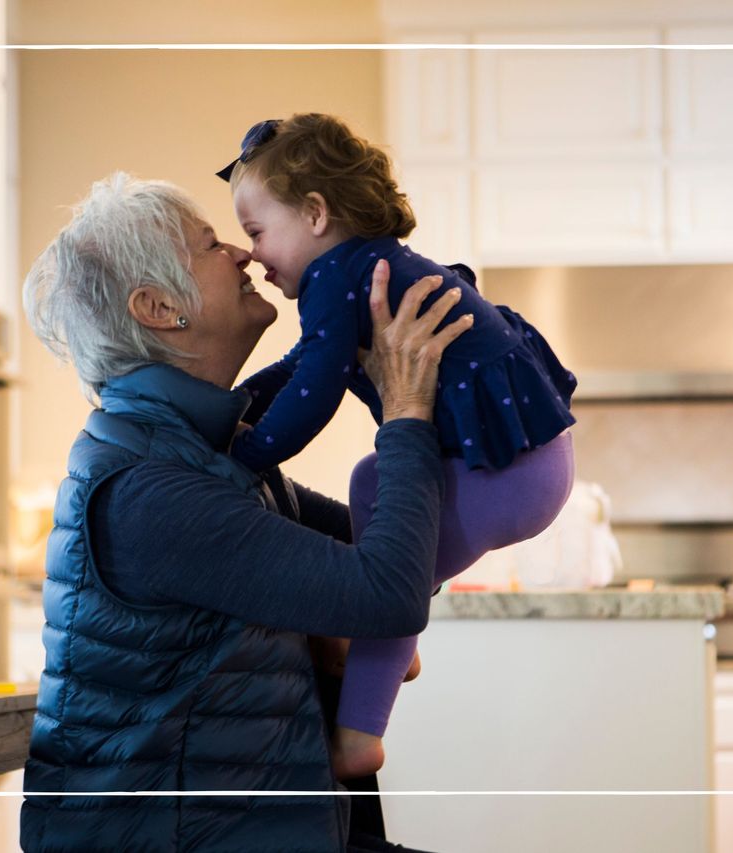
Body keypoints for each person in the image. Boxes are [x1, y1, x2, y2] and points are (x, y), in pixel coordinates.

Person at [19, 172, 470, 852]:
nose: (241, 253)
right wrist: (406, 409)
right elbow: (390, 593)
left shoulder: (206, 453)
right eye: (209, 245)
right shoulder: (149, 488)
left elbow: (389, 554)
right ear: (157, 306)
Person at [218, 113, 578, 777]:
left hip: (508, 470)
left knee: (387, 562)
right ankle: (391, 645)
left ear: (316, 214)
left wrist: (251, 450)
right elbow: (304, 363)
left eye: (257, 232)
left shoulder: (335, 278)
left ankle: (360, 733)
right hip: (530, 463)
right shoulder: (363, 266)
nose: (255, 256)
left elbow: (318, 388)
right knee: (371, 481)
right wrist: (235, 407)